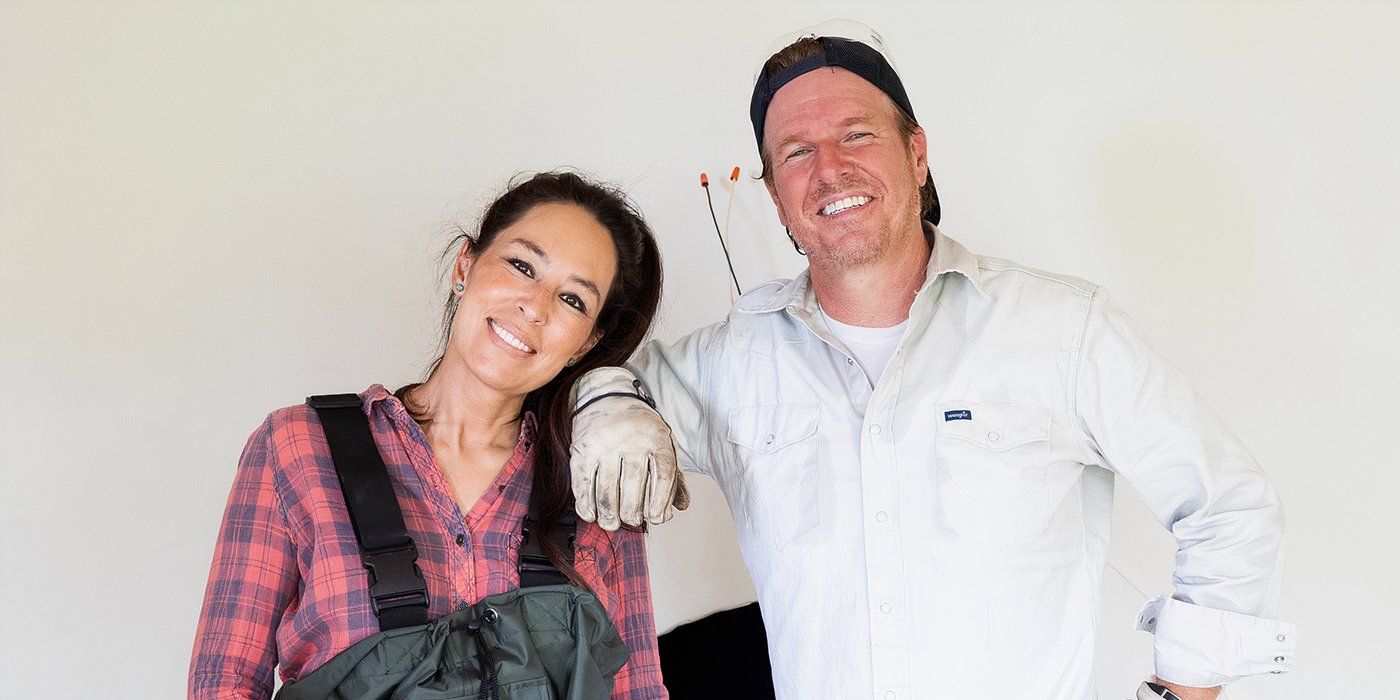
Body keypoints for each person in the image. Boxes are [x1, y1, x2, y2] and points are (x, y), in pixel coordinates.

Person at [566, 21, 1295, 700]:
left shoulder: (1062, 329)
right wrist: (603, 394)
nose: (830, 169)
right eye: (796, 152)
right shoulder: (730, 361)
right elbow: (558, 393)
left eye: (857, 135)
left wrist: (1185, 689)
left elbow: (1227, 503)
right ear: (775, 197)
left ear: (917, 154)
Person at [191, 171, 672, 699]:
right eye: (521, 266)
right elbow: (224, 682)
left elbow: (638, 689)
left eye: (573, 300)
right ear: (465, 266)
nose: (534, 306)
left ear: (586, 342)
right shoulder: (298, 447)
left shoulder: (600, 478)